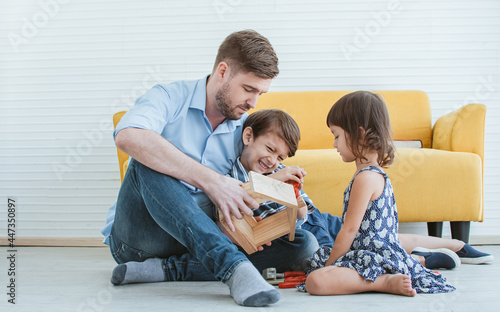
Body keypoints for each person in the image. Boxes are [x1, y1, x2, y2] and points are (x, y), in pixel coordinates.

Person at [100, 30, 318, 307]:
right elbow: (128, 135)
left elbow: (263, 177)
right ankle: (232, 267)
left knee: (304, 245)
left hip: (203, 235)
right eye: (248, 89)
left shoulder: (247, 129)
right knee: (149, 158)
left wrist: (245, 226)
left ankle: (167, 270)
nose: (253, 102)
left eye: (260, 93)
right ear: (223, 72)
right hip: (142, 237)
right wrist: (212, 182)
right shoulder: (169, 96)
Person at [231, 109, 493, 270]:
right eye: (269, 150)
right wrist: (277, 178)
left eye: (280, 157)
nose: (273, 161)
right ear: (248, 137)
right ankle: (421, 260)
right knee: (355, 252)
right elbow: (244, 197)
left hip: (317, 219)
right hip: (299, 232)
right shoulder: (234, 176)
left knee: (375, 238)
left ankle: (458, 245)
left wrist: (293, 191)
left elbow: (303, 212)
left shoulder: (279, 169)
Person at [301, 91, 456, 296]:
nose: (334, 144)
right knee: (315, 259)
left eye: (337, 136)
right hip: (369, 251)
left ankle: (383, 282)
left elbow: (348, 231)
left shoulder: (365, 178)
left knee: (316, 281)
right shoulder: (371, 173)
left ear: (360, 134)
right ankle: (414, 260)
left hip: (372, 254)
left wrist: (329, 268)